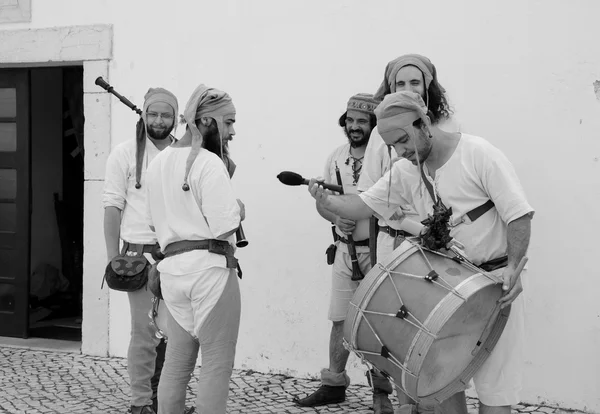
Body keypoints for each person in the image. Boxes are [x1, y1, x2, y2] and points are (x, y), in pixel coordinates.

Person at [309, 90, 534, 414]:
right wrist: (324, 199)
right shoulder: (405, 171)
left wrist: (513, 267)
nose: (401, 151)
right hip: (446, 289)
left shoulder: (478, 154)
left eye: (403, 140)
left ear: (424, 122)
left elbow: (518, 214)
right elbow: (363, 204)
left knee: (495, 392)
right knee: (439, 387)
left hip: (497, 286)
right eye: (394, 146)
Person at [357, 54, 463, 414]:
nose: (407, 89)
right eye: (399, 84)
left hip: (434, 246)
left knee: (433, 337)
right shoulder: (378, 133)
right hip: (391, 243)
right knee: (397, 337)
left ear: (429, 85)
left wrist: (424, 227)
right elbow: (369, 193)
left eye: (414, 82)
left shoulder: (448, 127)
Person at [295, 94, 395, 414]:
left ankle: (381, 392)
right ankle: (333, 384)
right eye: (350, 120)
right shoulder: (336, 158)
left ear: (373, 125)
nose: (354, 127)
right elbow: (322, 202)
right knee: (340, 319)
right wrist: (335, 217)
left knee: (380, 324)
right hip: (344, 251)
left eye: (362, 121)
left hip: (382, 253)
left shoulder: (385, 158)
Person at [145, 84, 243, 414]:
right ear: (206, 122)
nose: (231, 131)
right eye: (227, 122)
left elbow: (152, 224)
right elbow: (225, 225)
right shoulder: (208, 163)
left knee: (176, 363)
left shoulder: (157, 164)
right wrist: (239, 209)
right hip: (209, 273)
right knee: (217, 362)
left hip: (173, 273)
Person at [103, 87, 178, 414]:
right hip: (140, 258)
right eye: (153, 113)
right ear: (143, 114)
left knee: (179, 336)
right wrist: (112, 259)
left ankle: (166, 401)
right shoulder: (123, 153)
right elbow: (112, 207)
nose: (159, 120)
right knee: (145, 333)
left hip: (180, 256)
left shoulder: (184, 153)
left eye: (166, 114)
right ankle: (140, 404)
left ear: (175, 118)